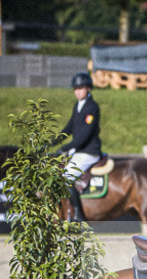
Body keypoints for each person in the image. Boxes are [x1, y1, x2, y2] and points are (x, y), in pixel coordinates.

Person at [57, 72, 102, 221]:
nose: (77, 92)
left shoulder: (92, 107)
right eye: (75, 89)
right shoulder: (78, 105)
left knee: (66, 178)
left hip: (89, 151)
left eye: (81, 88)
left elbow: (84, 135)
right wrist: (54, 141)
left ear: (88, 89)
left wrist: (65, 148)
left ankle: (78, 215)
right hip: (80, 151)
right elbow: (70, 127)